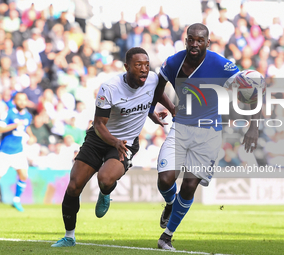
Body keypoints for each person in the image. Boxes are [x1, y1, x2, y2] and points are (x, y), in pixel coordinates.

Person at [149, 23, 261, 250]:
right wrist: (169, 109)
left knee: (190, 185)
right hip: (180, 129)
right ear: (186, 40)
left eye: (200, 40)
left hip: (208, 133)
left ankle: (167, 236)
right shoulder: (173, 62)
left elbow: (248, 90)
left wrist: (254, 125)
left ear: (207, 42)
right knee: (165, 179)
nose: (195, 44)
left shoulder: (221, 64)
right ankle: (170, 203)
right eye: (191, 39)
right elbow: (157, 89)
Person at [51, 47, 170, 247]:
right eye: (138, 65)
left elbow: (154, 96)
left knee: (105, 179)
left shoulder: (152, 79)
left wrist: (156, 113)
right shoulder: (110, 88)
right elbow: (98, 124)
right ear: (126, 67)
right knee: (73, 186)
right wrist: (114, 141)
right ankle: (69, 236)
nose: (144, 69)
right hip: (99, 138)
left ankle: (105, 193)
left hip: (126, 143)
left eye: (146, 65)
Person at [0, 92, 36, 213]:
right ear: (15, 101)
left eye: (24, 100)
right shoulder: (8, 113)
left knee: (23, 175)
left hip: (18, 151)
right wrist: (14, 125)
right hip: (6, 151)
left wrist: (31, 135)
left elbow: (26, 126)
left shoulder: (28, 115)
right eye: (20, 100)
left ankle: (16, 200)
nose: (22, 102)